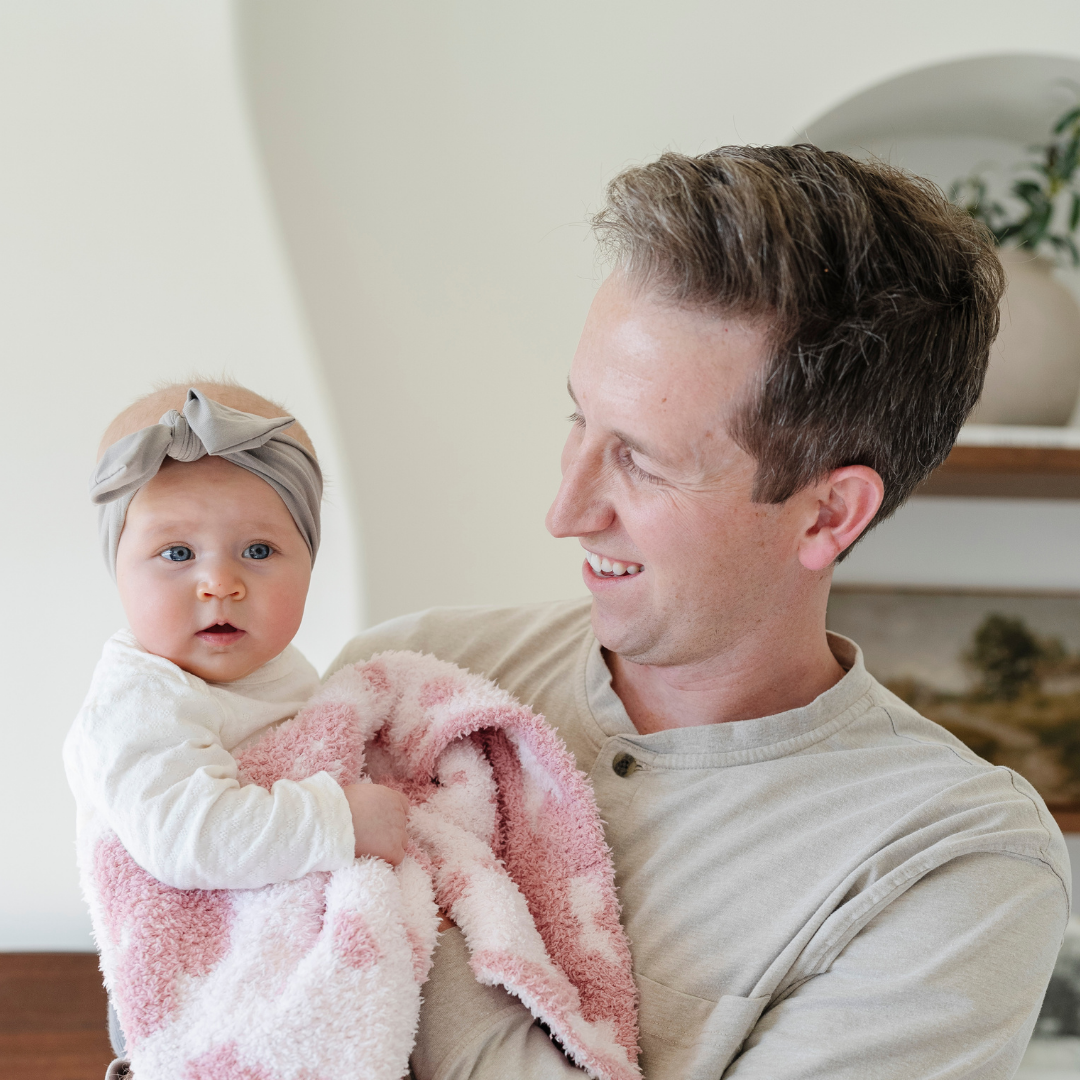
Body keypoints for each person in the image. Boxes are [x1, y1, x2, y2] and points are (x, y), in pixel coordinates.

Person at [329, 145, 1071, 1079]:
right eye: (578, 419)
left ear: (827, 513)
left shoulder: (947, 862)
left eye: (641, 461)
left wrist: (397, 880)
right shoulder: (409, 679)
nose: (565, 512)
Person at [64, 384, 411, 1066]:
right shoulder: (140, 699)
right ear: (119, 570)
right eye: (176, 554)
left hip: (283, 949)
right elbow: (186, 836)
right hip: (196, 981)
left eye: (257, 550)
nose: (220, 583)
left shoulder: (279, 672)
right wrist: (339, 819)